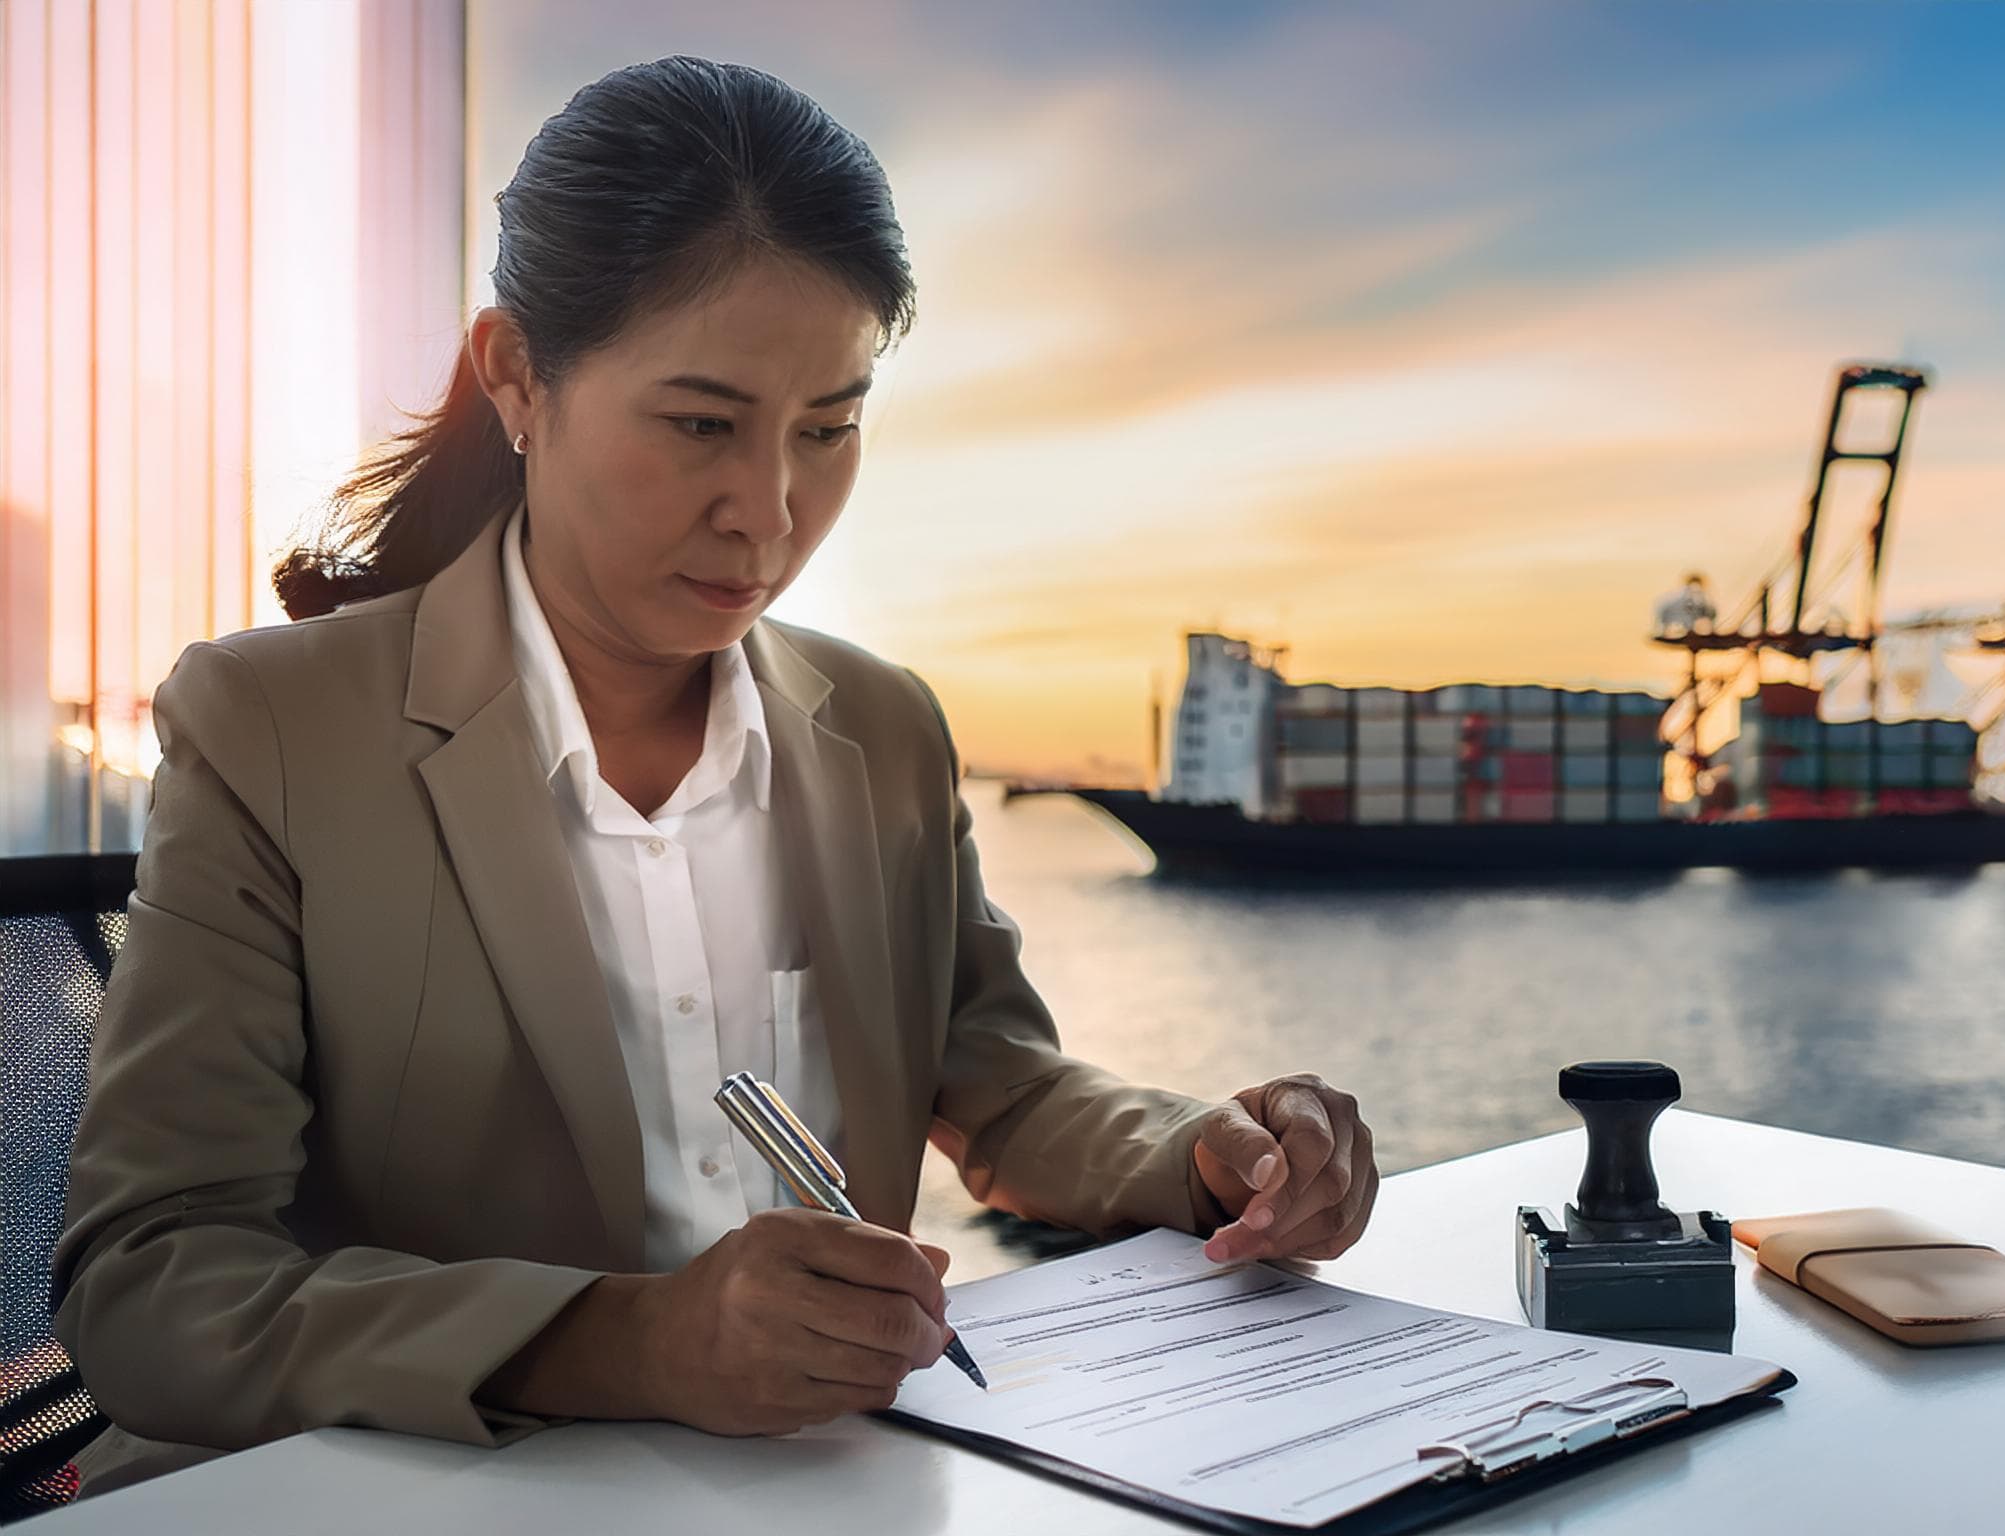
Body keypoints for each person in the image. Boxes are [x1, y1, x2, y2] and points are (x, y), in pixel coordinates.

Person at [50, 55, 1377, 1498]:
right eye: (701, 424)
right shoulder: (275, 728)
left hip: (814, 1492)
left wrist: (1212, 1159)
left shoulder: (882, 730)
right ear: (516, 379)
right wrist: (635, 1342)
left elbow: (993, 1084)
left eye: (829, 427)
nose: (772, 512)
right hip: (406, 1495)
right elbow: (152, 1281)